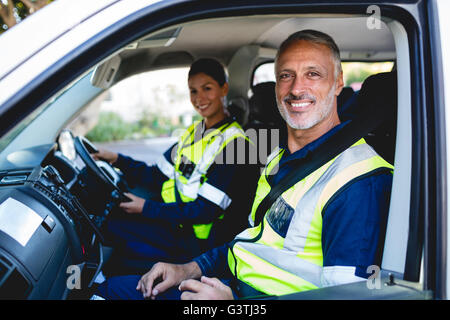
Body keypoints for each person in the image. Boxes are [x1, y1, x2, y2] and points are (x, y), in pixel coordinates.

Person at [93, 30, 393, 300]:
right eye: (286, 75)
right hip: (226, 278)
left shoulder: (357, 182)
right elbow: (250, 240)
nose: (296, 88)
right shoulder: (278, 158)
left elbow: (345, 298)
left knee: (110, 284)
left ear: (338, 81)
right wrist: (189, 269)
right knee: (110, 285)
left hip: (218, 271)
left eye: (313, 74)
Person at [93, 58, 259, 276]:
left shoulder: (236, 145)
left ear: (223, 89)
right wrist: (116, 158)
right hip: (178, 226)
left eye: (207, 89)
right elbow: (156, 175)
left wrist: (146, 208)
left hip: (199, 244)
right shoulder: (194, 133)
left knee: (113, 233)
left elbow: (205, 211)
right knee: (111, 223)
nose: (199, 98)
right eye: (193, 91)